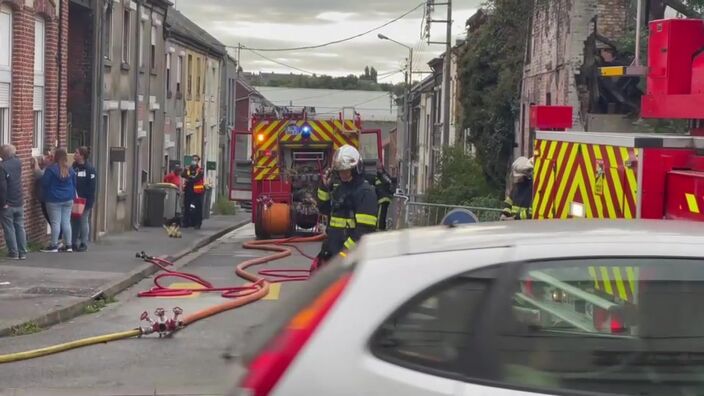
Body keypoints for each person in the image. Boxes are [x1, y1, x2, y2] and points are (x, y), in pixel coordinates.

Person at [314, 145, 378, 270]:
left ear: (356, 169)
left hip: (352, 257)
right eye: (340, 171)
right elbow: (324, 209)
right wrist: (324, 187)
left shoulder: (365, 193)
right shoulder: (340, 189)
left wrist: (345, 253)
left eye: (346, 171)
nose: (343, 175)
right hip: (335, 254)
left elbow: (364, 231)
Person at [41, 148, 76, 253]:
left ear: (55, 157)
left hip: (54, 199)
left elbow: (44, 183)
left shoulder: (51, 169)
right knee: (66, 222)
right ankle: (69, 245)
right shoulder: (70, 169)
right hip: (68, 198)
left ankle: (54, 245)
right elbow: (74, 184)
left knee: (55, 222)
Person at [0, 145, 27, 259]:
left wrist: (3, 202)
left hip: (8, 203)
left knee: (9, 228)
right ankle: (23, 252)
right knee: (20, 227)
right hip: (19, 201)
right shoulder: (18, 163)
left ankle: (13, 252)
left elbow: (2, 187)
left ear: (3, 154)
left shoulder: (2, 167)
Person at [71, 146, 96, 252]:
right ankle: (73, 242)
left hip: (85, 200)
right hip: (74, 199)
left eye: (76, 153)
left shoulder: (90, 169)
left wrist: (88, 201)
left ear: (82, 156)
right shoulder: (74, 167)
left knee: (83, 221)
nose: (74, 154)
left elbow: (92, 186)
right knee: (74, 221)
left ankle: (83, 243)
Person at [501, 156, 534, 221]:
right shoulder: (516, 187)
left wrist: (515, 218)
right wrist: (504, 214)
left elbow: (531, 211)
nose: (517, 179)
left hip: (526, 225)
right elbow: (508, 203)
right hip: (514, 224)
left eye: (519, 177)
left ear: (526, 175)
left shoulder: (532, 189)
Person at [182, 155, 205, 229]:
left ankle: (198, 224)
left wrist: (189, 179)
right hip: (188, 190)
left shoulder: (200, 170)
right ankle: (186, 222)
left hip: (197, 191)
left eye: (196, 160)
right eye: (193, 159)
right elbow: (183, 174)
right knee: (186, 207)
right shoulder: (188, 168)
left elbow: (198, 178)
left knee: (198, 208)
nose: (194, 161)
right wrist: (191, 177)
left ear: (198, 161)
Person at [372, 164, 395, 231]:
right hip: (385, 198)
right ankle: (381, 227)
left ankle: (379, 228)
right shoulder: (384, 175)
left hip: (383, 198)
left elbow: (388, 183)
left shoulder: (381, 175)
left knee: (380, 215)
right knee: (383, 214)